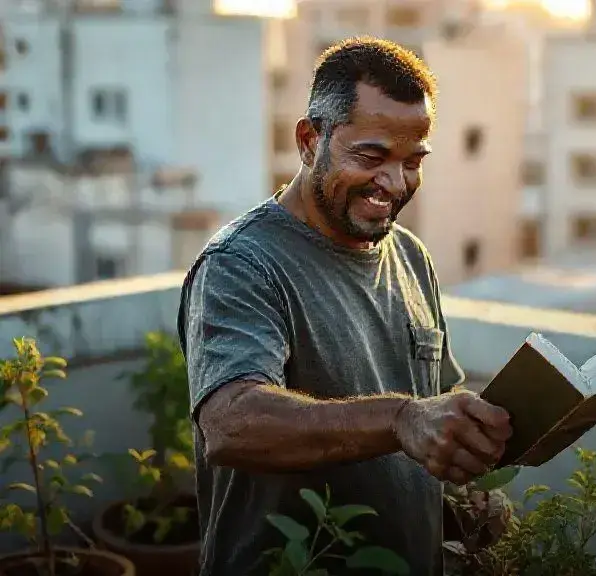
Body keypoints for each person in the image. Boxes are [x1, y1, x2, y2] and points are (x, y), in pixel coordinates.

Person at [176, 36, 513, 575]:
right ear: (310, 141)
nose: (395, 182)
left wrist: (459, 483)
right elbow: (232, 423)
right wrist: (401, 419)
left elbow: (433, 401)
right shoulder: (242, 264)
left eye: (412, 161)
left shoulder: (410, 256)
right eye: (371, 156)